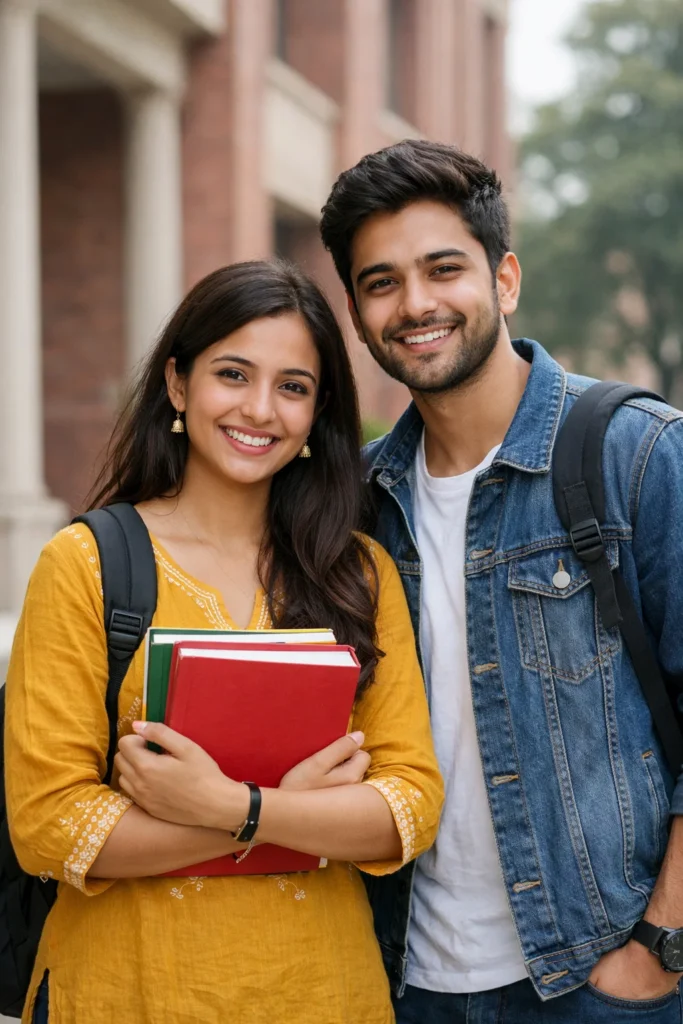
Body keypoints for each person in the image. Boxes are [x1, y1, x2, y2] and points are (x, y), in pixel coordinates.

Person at [4, 259, 444, 1024]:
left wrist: (234, 807)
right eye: (232, 374)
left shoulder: (358, 574)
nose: (260, 409)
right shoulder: (87, 565)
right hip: (128, 993)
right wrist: (296, 818)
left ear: (317, 412)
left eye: (293, 387)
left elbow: (409, 807)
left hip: (326, 996)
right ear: (178, 385)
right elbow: (51, 827)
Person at [319, 139, 683, 1023]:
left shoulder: (634, 453)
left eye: (443, 268)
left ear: (504, 279)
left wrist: (658, 948)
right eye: (380, 283)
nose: (415, 304)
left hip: (596, 983)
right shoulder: (352, 505)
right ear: (360, 315)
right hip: (404, 981)